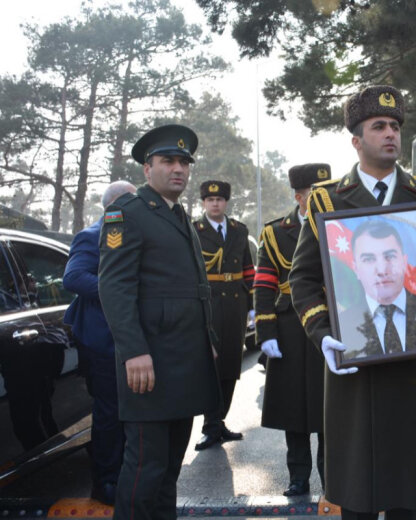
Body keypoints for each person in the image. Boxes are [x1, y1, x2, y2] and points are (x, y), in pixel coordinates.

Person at [289, 85, 416, 520]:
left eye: (395, 126)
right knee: (357, 492)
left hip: (414, 366)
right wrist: (323, 335)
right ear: (356, 140)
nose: (391, 133)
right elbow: (304, 278)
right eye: (379, 126)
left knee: (408, 493)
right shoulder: (326, 198)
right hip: (355, 370)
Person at [98, 124, 221, 520]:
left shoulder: (178, 214)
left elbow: (193, 288)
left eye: (184, 162)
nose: (179, 169)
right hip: (148, 363)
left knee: (169, 470)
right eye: (168, 161)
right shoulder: (127, 213)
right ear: (147, 168)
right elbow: (114, 287)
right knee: (145, 470)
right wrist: (133, 351)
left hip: (183, 360)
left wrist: (208, 339)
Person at [254, 163, 330, 497]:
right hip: (290, 327)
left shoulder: (337, 222)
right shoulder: (274, 233)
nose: (322, 199)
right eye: (315, 193)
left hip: (330, 324)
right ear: (299, 197)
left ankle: (333, 477)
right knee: (294, 409)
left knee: (331, 406)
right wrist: (266, 333)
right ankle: (298, 476)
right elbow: (264, 285)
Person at [63, 181, 136, 505]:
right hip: (102, 340)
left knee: (128, 413)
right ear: (117, 205)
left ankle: (125, 477)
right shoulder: (92, 235)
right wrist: (119, 289)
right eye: (133, 202)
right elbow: (74, 277)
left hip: (126, 338)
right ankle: (106, 482)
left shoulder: (127, 235)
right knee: (110, 413)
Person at [193, 180, 254, 451]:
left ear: (226, 202)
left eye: (219, 200)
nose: (215, 204)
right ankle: (210, 425)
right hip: (209, 303)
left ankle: (219, 422)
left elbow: (248, 268)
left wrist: (253, 304)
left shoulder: (240, 230)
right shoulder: (194, 230)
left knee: (231, 364)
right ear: (203, 203)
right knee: (211, 366)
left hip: (236, 304)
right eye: (210, 200)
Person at [339, 219, 416, 360]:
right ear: (356, 269)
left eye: (390, 257)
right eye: (369, 259)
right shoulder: (342, 326)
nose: (382, 270)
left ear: (404, 262)